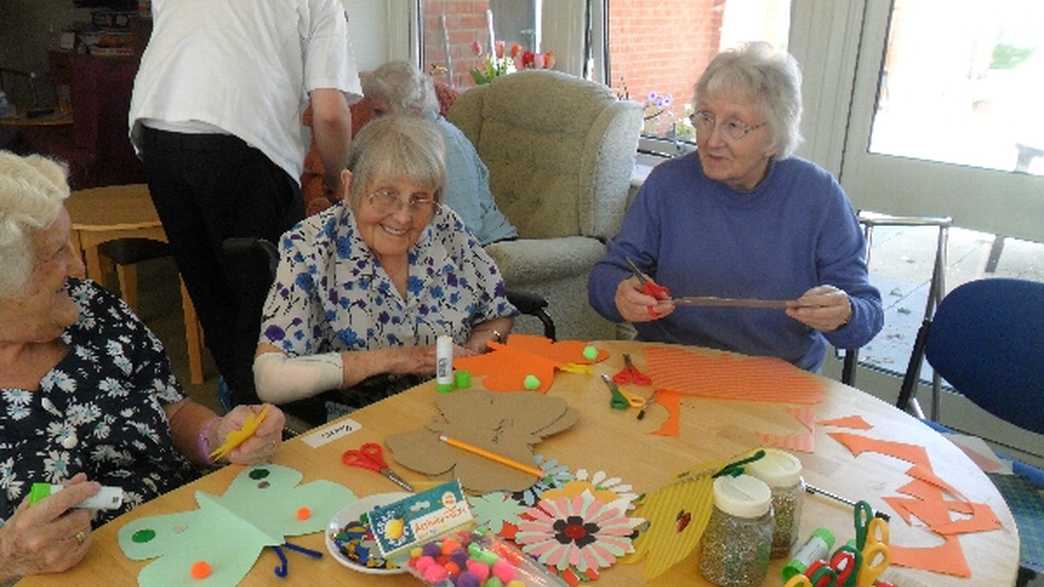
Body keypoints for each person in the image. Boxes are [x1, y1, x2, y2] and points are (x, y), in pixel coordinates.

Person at [0, 153, 285, 581]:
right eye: (57, 254)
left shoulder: (92, 308)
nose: (79, 269)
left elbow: (169, 409)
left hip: (197, 542)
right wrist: (10, 558)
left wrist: (219, 437)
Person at [589, 43, 883, 371]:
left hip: (776, 380)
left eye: (734, 125)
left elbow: (867, 314)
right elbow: (605, 276)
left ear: (773, 137)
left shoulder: (818, 196)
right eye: (706, 117)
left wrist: (845, 314)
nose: (712, 140)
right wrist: (620, 294)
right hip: (669, 368)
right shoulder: (667, 184)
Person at [128, 0, 361, 407]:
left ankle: (239, 416)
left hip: (159, 132)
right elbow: (329, 114)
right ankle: (280, 427)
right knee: (276, 308)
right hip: (246, 143)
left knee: (214, 297)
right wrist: (336, 182)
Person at [254, 116, 516, 423]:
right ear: (351, 186)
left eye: (419, 198)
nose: (403, 217)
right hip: (360, 423)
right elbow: (270, 379)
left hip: (454, 406)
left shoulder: (445, 227)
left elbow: (497, 314)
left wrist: (471, 354)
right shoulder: (311, 246)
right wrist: (398, 359)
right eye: (387, 195)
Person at [359, 61, 518, 245]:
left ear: (413, 110)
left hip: (485, 250)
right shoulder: (407, 141)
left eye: (380, 112)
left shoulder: (447, 143)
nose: (372, 121)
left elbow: (464, 226)